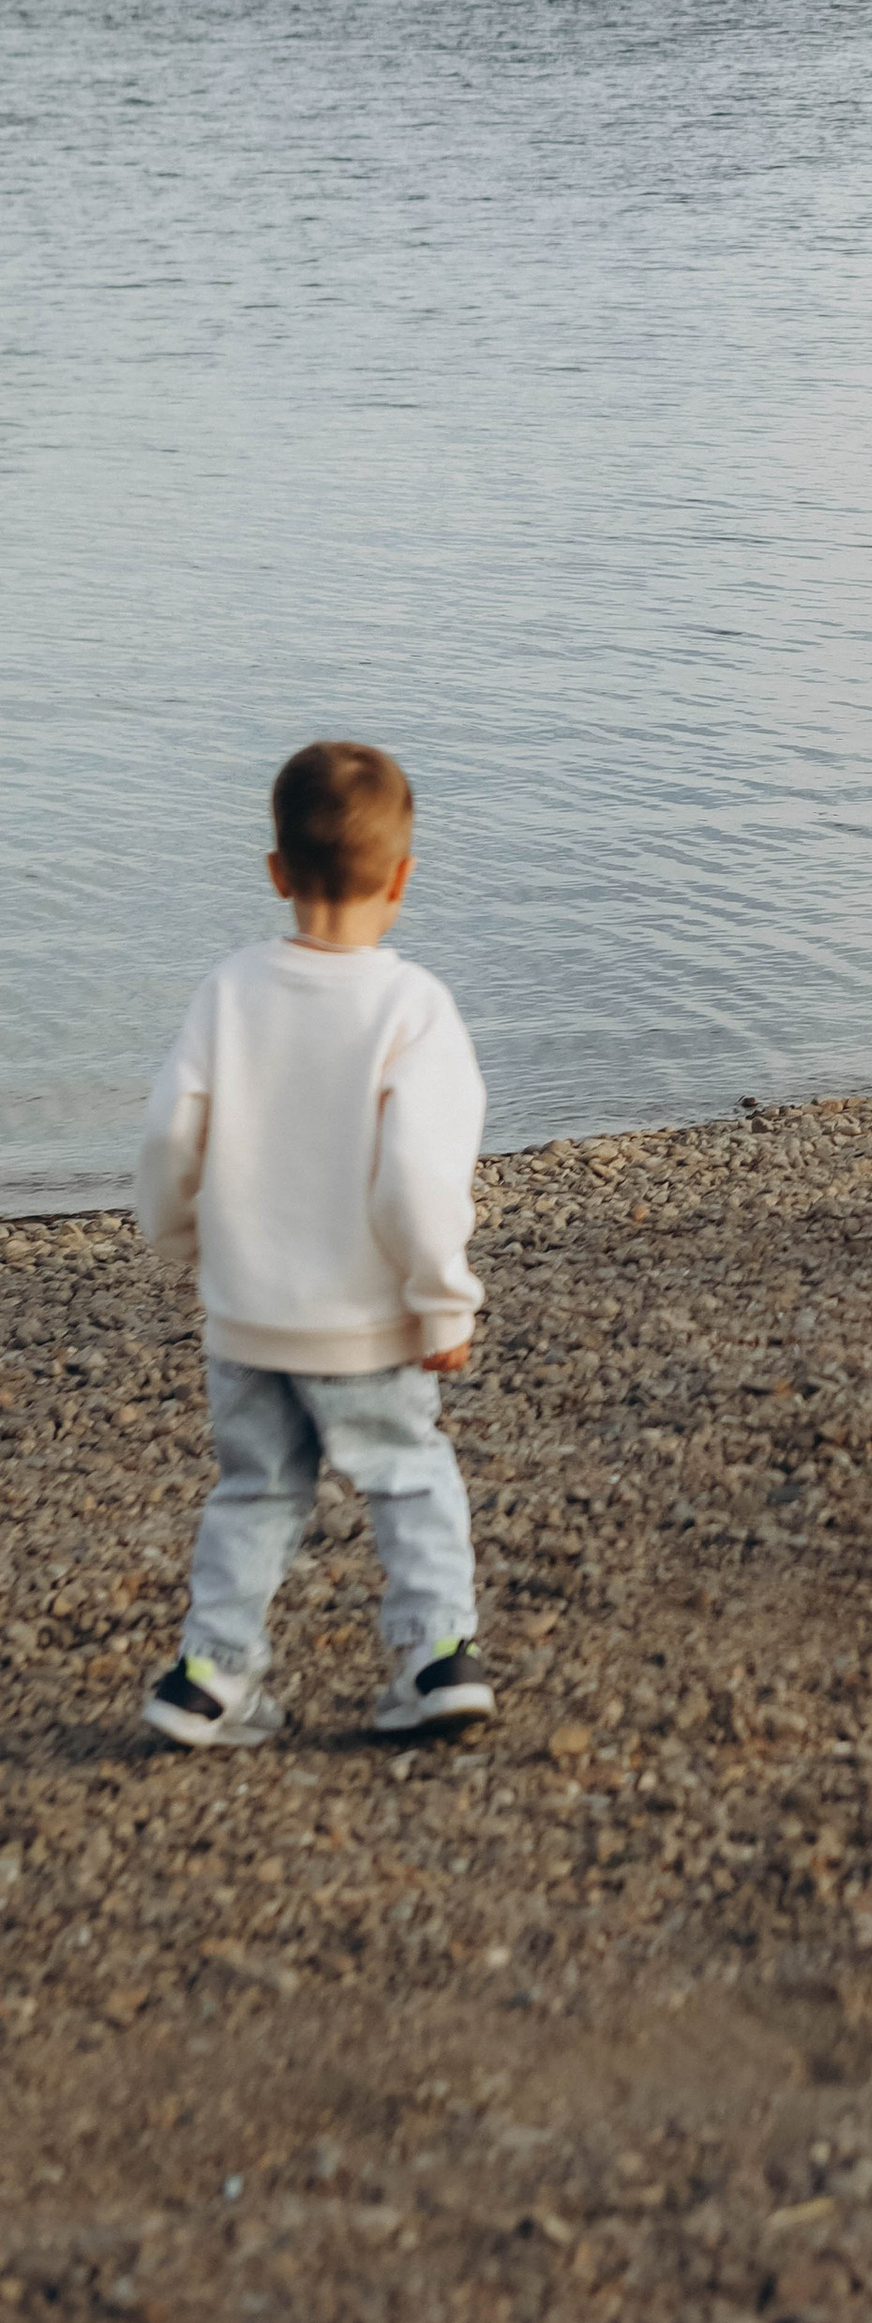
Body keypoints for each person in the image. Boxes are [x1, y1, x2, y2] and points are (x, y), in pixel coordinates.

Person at [133, 742, 496, 1747]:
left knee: (255, 1487)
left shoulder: (230, 990)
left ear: (277, 873)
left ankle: (210, 1675)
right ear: (404, 877)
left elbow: (170, 1133)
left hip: (246, 1316)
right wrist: (443, 1300)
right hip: (366, 1321)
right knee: (407, 1473)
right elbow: (420, 1173)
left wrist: (179, 1240)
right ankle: (437, 1658)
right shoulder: (411, 1006)